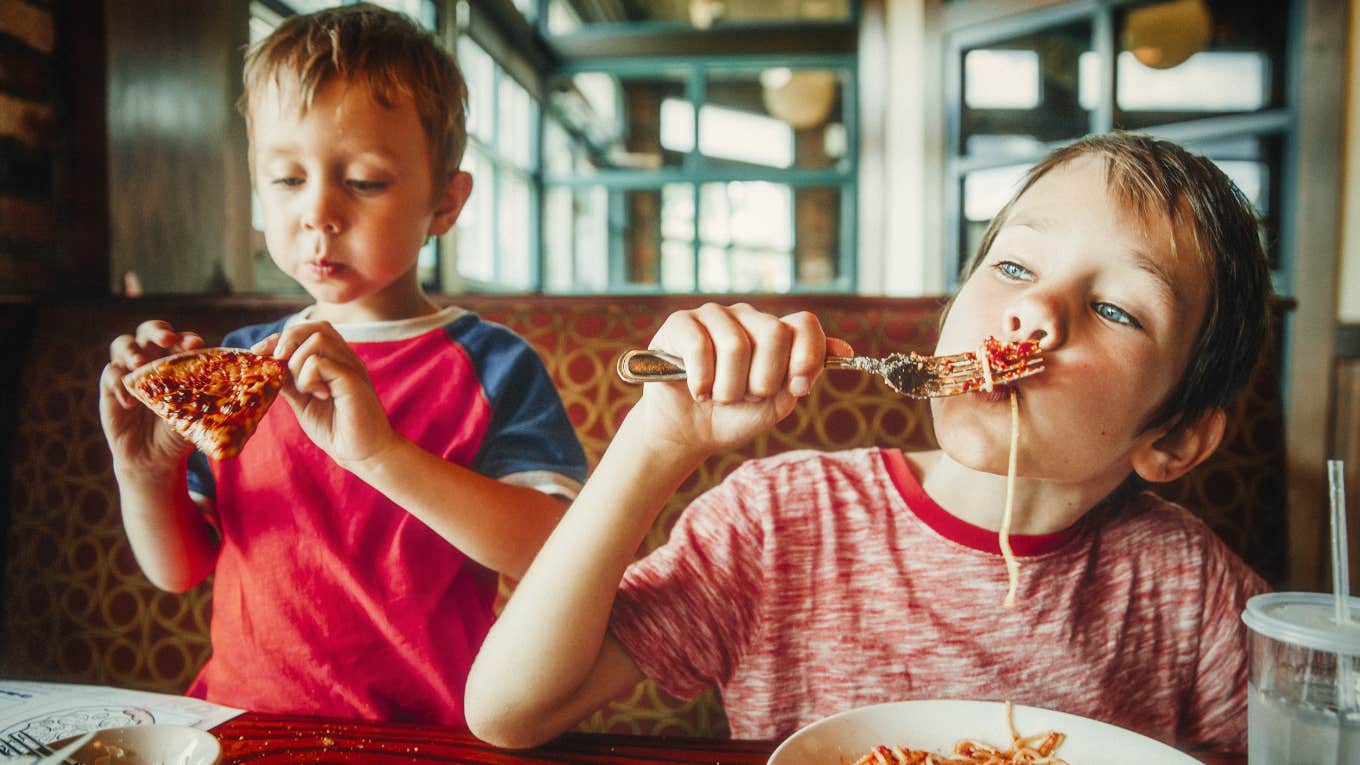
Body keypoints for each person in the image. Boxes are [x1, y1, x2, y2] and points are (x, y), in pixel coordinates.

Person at [465, 131, 1272, 755]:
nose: (1035, 314)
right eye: (1016, 266)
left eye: (1118, 309)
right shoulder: (781, 519)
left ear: (1174, 438)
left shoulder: (1188, 586)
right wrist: (656, 439)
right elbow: (510, 709)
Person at [97, 4, 587, 727]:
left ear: (445, 202)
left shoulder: (493, 365)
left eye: (363, 181)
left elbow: (557, 557)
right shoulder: (237, 368)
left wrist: (383, 454)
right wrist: (143, 472)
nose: (318, 212)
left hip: (429, 734)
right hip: (240, 722)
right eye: (288, 180)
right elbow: (180, 569)